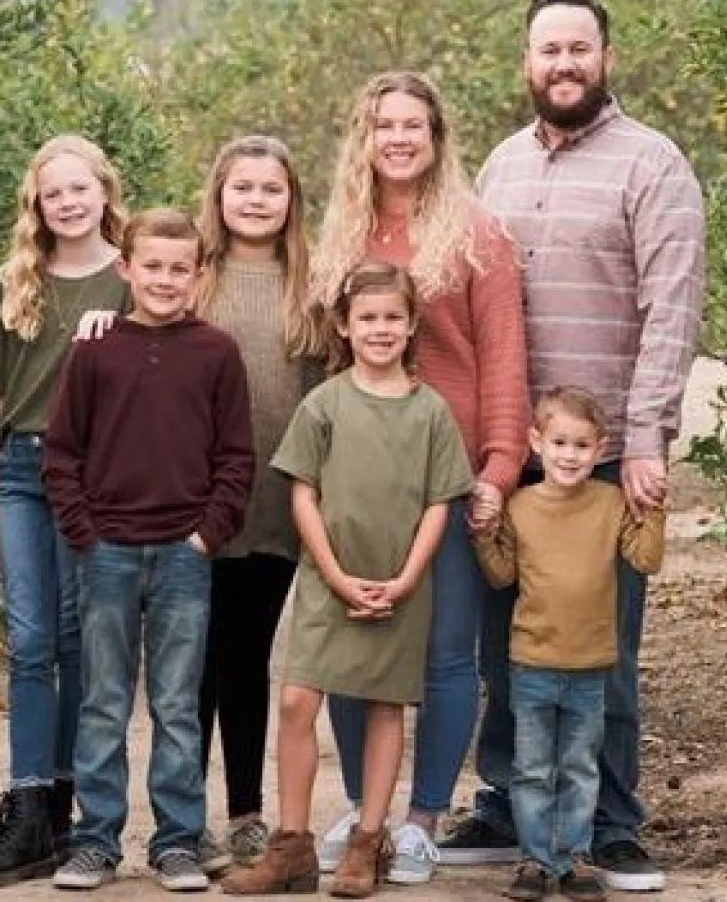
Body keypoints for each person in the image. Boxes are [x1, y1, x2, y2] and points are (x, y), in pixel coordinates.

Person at [438, 0, 704, 893]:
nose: (563, 64)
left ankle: (611, 820)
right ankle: (511, 803)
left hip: (607, 463)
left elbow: (672, 308)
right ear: (526, 61)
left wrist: (647, 438)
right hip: (512, 456)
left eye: (578, 48)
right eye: (548, 49)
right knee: (506, 640)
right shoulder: (501, 168)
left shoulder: (653, 165)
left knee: (603, 646)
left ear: (605, 56)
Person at [311, 72, 531, 885]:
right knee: (354, 648)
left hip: (452, 474)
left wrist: (499, 469)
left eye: (414, 124)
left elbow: (506, 361)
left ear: (437, 136)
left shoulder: (477, 233)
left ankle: (421, 817)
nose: (399, 138)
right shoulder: (340, 233)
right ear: (363, 139)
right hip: (360, 480)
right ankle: (364, 811)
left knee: (445, 655)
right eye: (383, 124)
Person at [222, 261, 475, 900]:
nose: (381, 329)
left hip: (399, 585)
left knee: (386, 706)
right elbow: (303, 494)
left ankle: (368, 842)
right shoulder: (325, 403)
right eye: (368, 318)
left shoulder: (430, 412)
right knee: (296, 702)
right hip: (326, 580)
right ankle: (293, 847)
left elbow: (439, 505)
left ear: (412, 324)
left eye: (393, 318)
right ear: (344, 324)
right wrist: (334, 574)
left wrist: (406, 578)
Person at [42, 208, 256, 892]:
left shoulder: (217, 351)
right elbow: (61, 452)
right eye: (153, 266)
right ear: (126, 268)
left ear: (198, 274)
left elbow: (236, 456)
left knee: (177, 702)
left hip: (183, 555)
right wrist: (84, 531)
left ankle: (177, 842)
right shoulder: (95, 349)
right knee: (104, 700)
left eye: (179, 268)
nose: (165, 279)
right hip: (105, 551)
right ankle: (96, 842)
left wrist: (206, 534)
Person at [0, 135, 128, 889]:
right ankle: (27, 806)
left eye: (78, 188)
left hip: (93, 474)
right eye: (52, 192)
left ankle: (63, 803)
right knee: (30, 638)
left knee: (76, 640)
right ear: (38, 204)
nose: (67, 202)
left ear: (103, 190)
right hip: (24, 472)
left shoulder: (130, 278)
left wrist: (120, 334)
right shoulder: (17, 280)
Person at [474, 387, 665, 902]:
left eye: (582, 446)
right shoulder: (521, 506)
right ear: (536, 442)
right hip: (532, 664)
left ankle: (573, 857)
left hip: (590, 666)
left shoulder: (610, 503)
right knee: (533, 768)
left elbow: (645, 560)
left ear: (601, 450)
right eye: (559, 442)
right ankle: (536, 861)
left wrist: (654, 507)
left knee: (579, 767)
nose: (569, 455)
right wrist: (485, 533)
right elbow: (500, 575)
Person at [194, 136, 319, 871]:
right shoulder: (194, 278)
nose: (255, 199)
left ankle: (245, 813)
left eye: (271, 189)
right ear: (218, 194)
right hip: (198, 504)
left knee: (247, 660)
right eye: (242, 186)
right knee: (193, 667)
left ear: (291, 201)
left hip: (275, 504)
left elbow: (321, 397)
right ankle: (184, 813)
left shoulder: (307, 283)